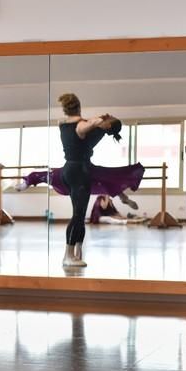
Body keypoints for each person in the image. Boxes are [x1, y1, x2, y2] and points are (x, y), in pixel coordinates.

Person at [57, 93, 122, 267]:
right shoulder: (80, 126)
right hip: (79, 170)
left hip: (68, 170)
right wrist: (101, 120)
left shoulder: (62, 125)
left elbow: (87, 124)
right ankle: (67, 255)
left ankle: (78, 252)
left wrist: (99, 121)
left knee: (79, 213)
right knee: (78, 215)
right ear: (79, 106)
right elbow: (89, 124)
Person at [17, 165, 143, 210]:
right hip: (67, 179)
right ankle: (123, 197)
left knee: (103, 180)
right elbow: (38, 175)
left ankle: (123, 197)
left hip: (76, 175)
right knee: (103, 179)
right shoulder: (55, 175)